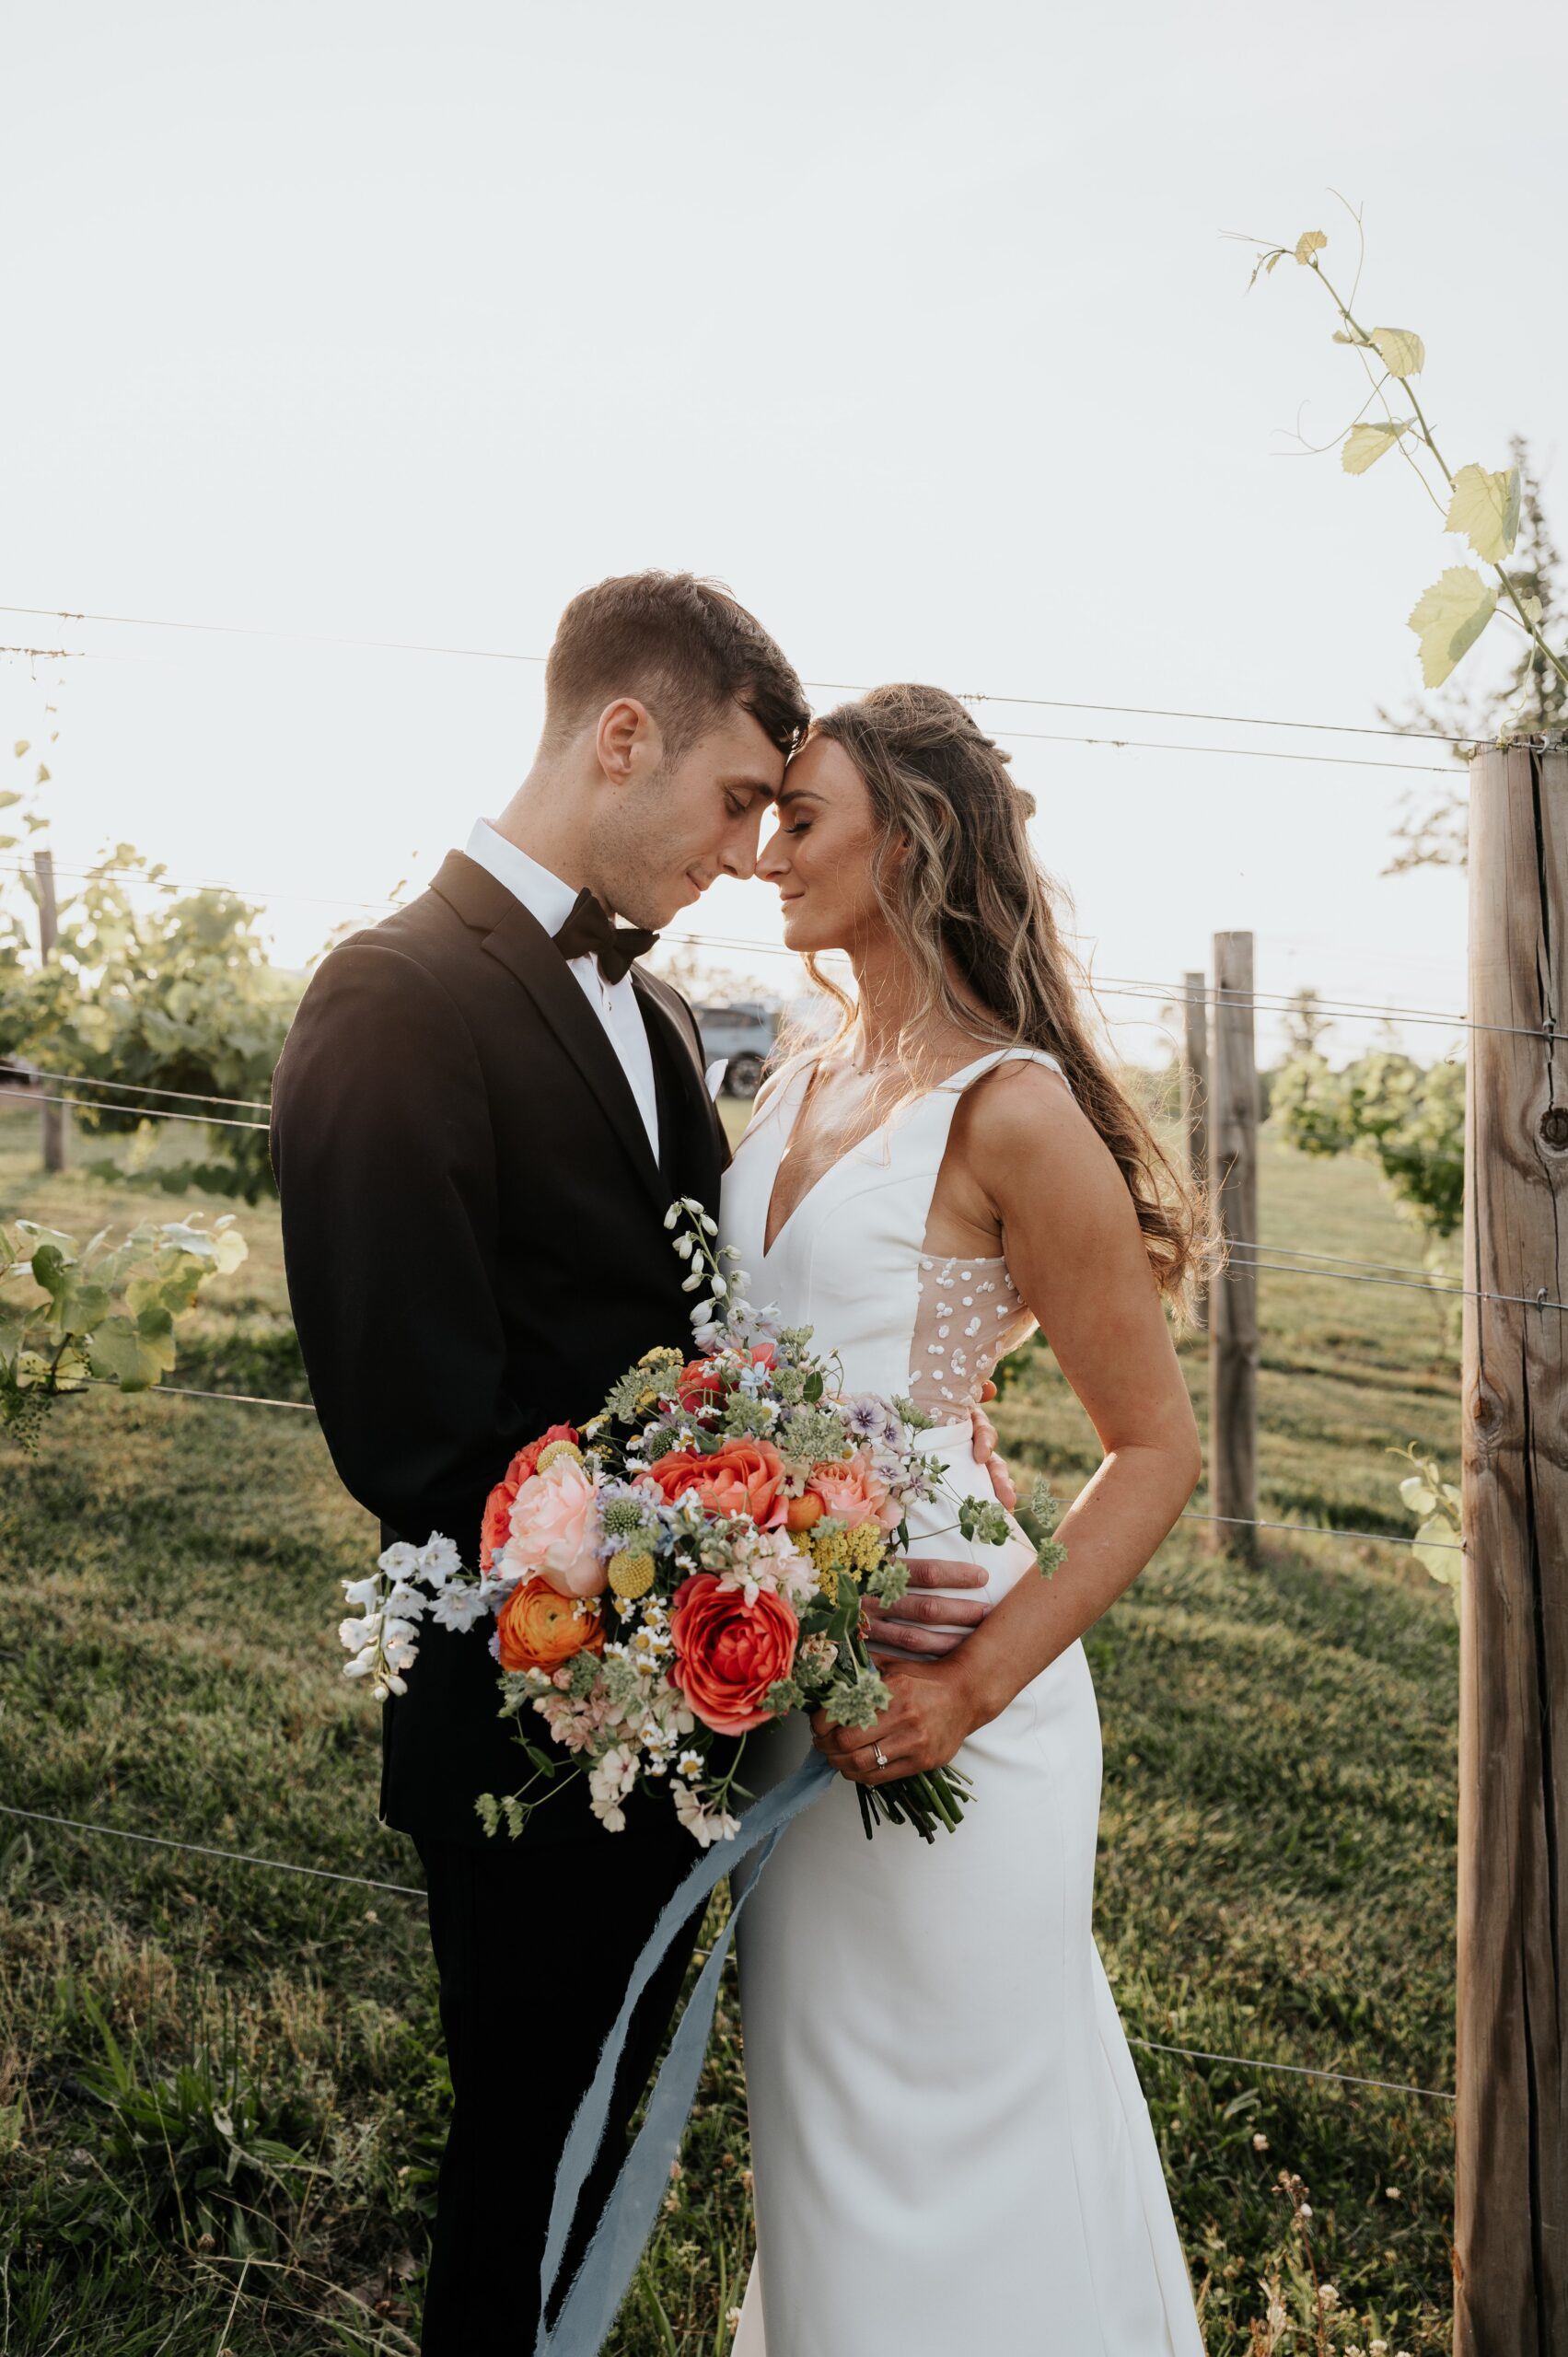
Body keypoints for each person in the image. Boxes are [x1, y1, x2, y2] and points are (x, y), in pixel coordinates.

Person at [269, 576, 1002, 2353]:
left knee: (610, 2163)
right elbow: (414, 1432)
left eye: (775, 811)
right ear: (621, 736)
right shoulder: (393, 998)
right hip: (529, 1714)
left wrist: (787, 1549)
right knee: (522, 2163)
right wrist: (700, 1569)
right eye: (737, 797)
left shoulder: (665, 1018)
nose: (752, 849)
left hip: (690, 1712)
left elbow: (709, 1344)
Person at [723, 683, 1208, 2355]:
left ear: (909, 839)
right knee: (819, 2128)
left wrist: (971, 1683)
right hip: (787, 1669)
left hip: (954, 1681)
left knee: (962, 2138)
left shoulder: (1010, 1106)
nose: (764, 852)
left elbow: (1157, 1453)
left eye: (803, 818)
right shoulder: (792, 1075)